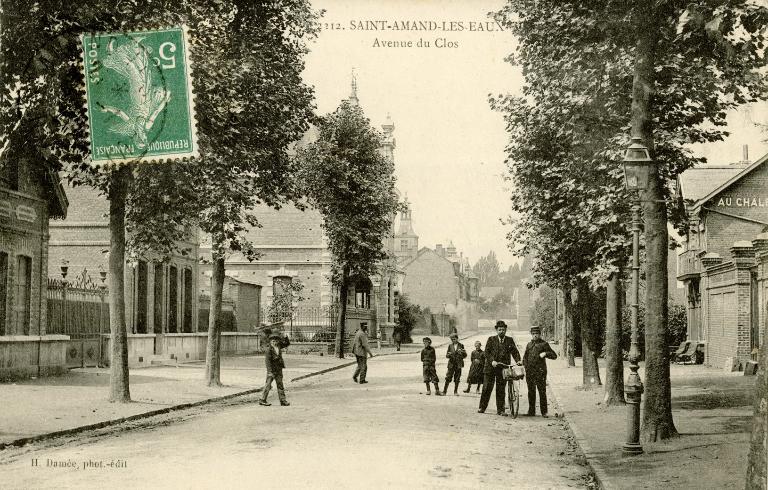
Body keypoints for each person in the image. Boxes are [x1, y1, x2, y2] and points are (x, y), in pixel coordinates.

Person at [478, 320, 521, 416]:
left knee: (501, 389)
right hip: (490, 367)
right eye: (500, 330)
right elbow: (486, 352)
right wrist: (492, 361)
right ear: (496, 330)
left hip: (503, 368)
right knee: (486, 388)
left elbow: (515, 352)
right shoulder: (491, 339)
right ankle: (482, 407)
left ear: (506, 330)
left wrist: (518, 360)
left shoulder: (509, 340)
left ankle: (501, 410)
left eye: (503, 330)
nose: (501, 331)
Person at [522, 325, 558, 417]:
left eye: (537, 334)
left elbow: (554, 355)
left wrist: (545, 353)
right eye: (533, 334)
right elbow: (525, 357)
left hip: (540, 372)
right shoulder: (529, 345)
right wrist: (525, 366)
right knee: (531, 391)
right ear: (531, 334)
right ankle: (531, 411)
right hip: (530, 372)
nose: (535, 336)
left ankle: (544, 412)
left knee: (542, 391)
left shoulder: (544, 344)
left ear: (540, 334)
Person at [259, 332, 291, 407]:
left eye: (276, 341)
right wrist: (270, 371)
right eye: (273, 341)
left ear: (278, 341)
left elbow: (287, 343)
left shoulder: (279, 346)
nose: (275, 342)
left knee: (280, 385)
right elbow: (267, 361)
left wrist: (285, 336)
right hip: (272, 370)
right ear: (270, 342)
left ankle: (283, 401)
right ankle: (262, 400)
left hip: (279, 369)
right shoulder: (268, 350)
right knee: (268, 385)